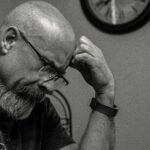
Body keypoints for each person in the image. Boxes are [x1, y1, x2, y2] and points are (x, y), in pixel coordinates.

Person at [0, 1, 118, 150]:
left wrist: (105, 92)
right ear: (9, 40)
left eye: (56, 75)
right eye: (47, 67)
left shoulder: (39, 110)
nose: (50, 87)